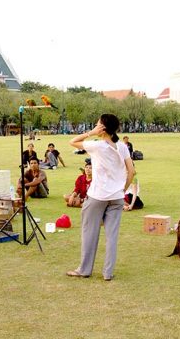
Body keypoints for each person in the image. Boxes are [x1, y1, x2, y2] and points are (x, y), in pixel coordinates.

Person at [66, 114, 134, 281]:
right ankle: (107, 273)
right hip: (117, 197)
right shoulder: (121, 146)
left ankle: (84, 269)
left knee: (89, 233)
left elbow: (72, 142)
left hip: (97, 196)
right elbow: (131, 172)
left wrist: (90, 132)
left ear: (102, 127)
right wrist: (121, 190)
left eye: (98, 124)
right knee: (112, 236)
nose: (96, 126)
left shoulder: (97, 146)